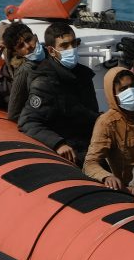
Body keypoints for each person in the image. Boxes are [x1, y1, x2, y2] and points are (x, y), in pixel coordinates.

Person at [17, 23, 99, 164]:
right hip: (71, 150)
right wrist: (58, 144)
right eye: (64, 46)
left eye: (74, 43)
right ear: (52, 51)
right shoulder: (44, 82)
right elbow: (28, 121)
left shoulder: (84, 76)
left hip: (91, 146)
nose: (71, 49)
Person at [82, 67, 134, 191]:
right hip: (133, 187)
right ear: (112, 94)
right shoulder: (107, 123)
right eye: (123, 89)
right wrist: (107, 177)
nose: (130, 92)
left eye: (132, 86)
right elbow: (90, 163)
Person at [0, 21, 41, 111]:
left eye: (29, 39)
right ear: (15, 53)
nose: (28, 46)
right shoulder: (9, 81)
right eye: (21, 46)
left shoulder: (55, 57)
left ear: (35, 37)